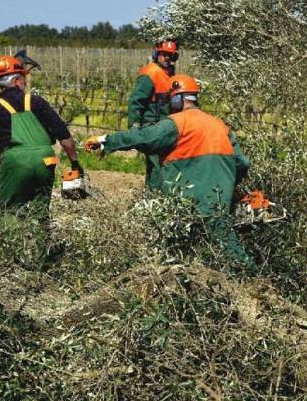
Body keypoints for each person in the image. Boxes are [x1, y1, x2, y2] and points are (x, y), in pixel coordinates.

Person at [85, 74, 254, 267]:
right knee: (218, 246)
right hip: (219, 202)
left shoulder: (176, 123)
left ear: (176, 99)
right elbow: (243, 163)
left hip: (189, 204)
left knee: (193, 252)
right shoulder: (221, 126)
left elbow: (143, 138)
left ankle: (254, 282)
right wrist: (229, 186)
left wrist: (106, 141)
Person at [0, 51, 82, 215]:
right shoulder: (36, 102)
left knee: (7, 212)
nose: (25, 82)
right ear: (16, 81)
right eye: (23, 78)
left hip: (15, 163)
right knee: (39, 212)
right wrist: (75, 164)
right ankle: (39, 239)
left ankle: (10, 240)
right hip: (46, 161)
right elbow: (64, 136)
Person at [128, 39, 179, 190]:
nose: (167, 58)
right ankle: (154, 198)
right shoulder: (150, 73)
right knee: (157, 167)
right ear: (157, 54)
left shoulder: (169, 74)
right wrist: (134, 128)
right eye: (164, 55)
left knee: (160, 166)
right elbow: (136, 101)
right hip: (153, 126)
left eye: (171, 56)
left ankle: (152, 197)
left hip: (165, 126)